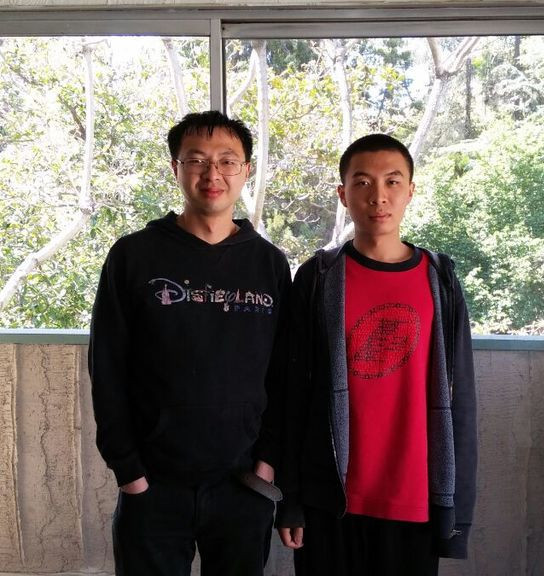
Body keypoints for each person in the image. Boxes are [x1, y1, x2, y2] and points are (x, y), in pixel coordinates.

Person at [88, 110, 290, 576]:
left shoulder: (269, 264)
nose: (212, 173)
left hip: (243, 484)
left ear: (246, 170)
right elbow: (107, 368)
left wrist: (267, 463)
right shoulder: (133, 256)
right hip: (153, 484)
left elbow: (284, 375)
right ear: (175, 168)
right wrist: (129, 472)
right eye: (196, 160)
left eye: (227, 161)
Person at [275, 134, 477, 575]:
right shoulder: (318, 277)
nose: (378, 196)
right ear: (343, 193)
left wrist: (458, 511)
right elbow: (292, 393)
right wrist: (291, 498)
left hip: (414, 498)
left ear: (411, 191)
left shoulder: (439, 279)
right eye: (363, 182)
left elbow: (460, 399)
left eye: (392, 181)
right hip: (331, 498)